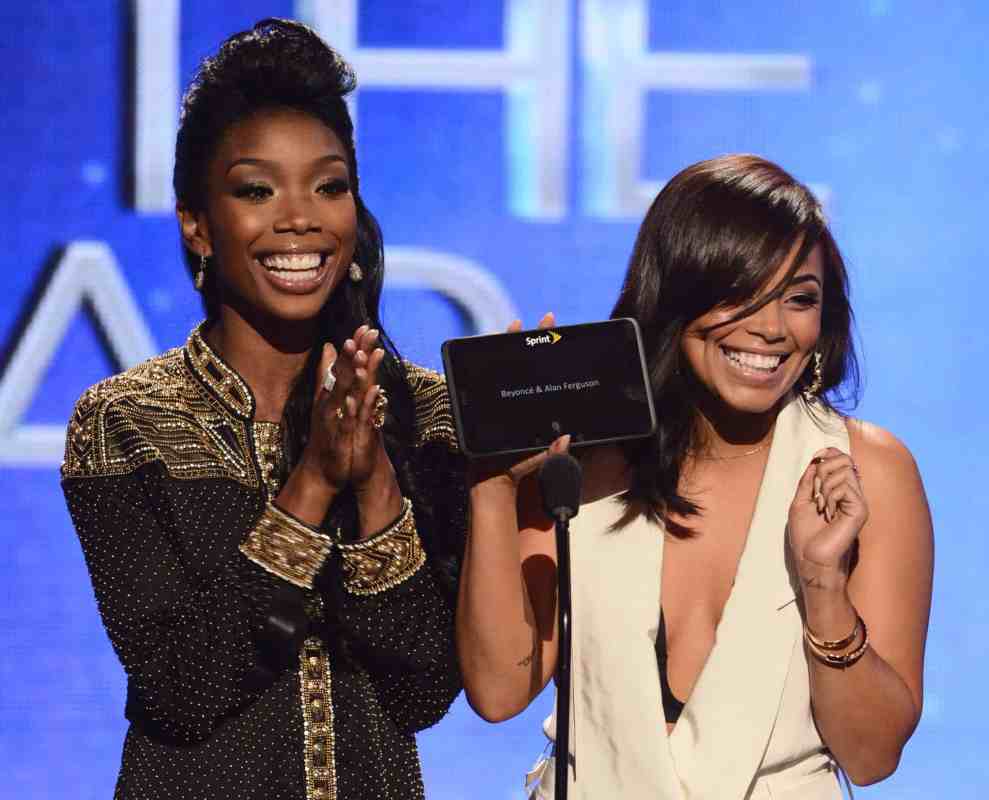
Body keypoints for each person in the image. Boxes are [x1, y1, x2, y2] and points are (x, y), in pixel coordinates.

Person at [61, 19, 465, 800]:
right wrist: (312, 483)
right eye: (256, 189)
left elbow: (422, 693)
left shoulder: (424, 412)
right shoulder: (125, 423)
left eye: (329, 184)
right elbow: (182, 693)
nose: (300, 218)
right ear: (196, 224)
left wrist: (376, 481)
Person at [458, 155, 933, 799]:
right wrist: (492, 486)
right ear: (673, 295)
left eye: (798, 299)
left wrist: (823, 584)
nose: (769, 329)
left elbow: (873, 756)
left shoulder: (866, 469)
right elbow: (497, 691)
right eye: (739, 293)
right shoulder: (587, 460)